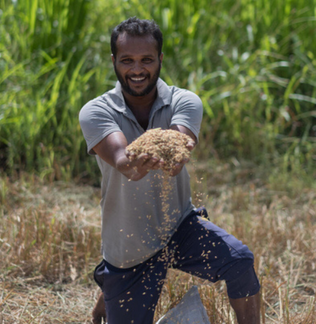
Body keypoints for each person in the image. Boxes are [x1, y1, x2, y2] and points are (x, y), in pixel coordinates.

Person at [79, 17, 261, 324]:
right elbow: (126, 164)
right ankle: (109, 282)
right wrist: (137, 163)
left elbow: (179, 145)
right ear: (114, 61)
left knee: (240, 261)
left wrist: (176, 157)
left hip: (179, 227)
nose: (137, 70)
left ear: (160, 59)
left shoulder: (184, 100)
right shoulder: (96, 111)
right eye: (127, 61)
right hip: (129, 248)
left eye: (147, 60)